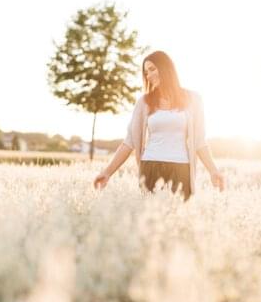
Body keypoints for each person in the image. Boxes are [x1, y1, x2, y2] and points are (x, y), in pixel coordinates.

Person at [93, 50, 225, 201]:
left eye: (152, 69)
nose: (148, 76)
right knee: (152, 220)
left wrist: (213, 171)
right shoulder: (144, 102)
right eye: (146, 72)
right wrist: (107, 172)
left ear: (166, 68)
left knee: (178, 219)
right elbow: (129, 142)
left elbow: (200, 142)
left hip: (181, 168)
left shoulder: (193, 99)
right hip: (151, 166)